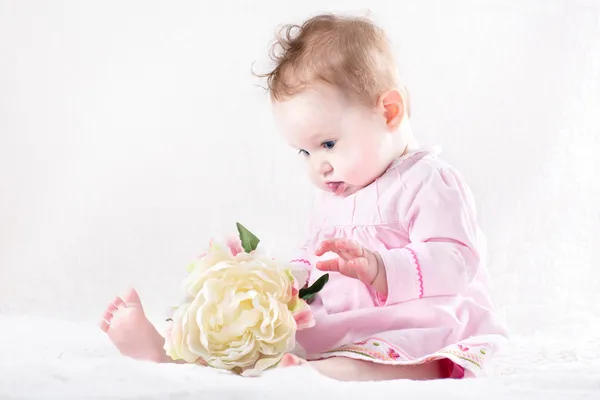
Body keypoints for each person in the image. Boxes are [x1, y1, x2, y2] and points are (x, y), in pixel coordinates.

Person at [99, 13, 507, 381]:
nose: (318, 165)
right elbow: (310, 255)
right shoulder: (334, 193)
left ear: (389, 111)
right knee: (265, 334)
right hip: (343, 320)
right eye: (305, 152)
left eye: (328, 143)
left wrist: (380, 266)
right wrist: (277, 283)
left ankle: (312, 377)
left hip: (417, 324)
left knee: (405, 363)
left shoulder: (427, 180)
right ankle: (177, 355)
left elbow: (457, 261)